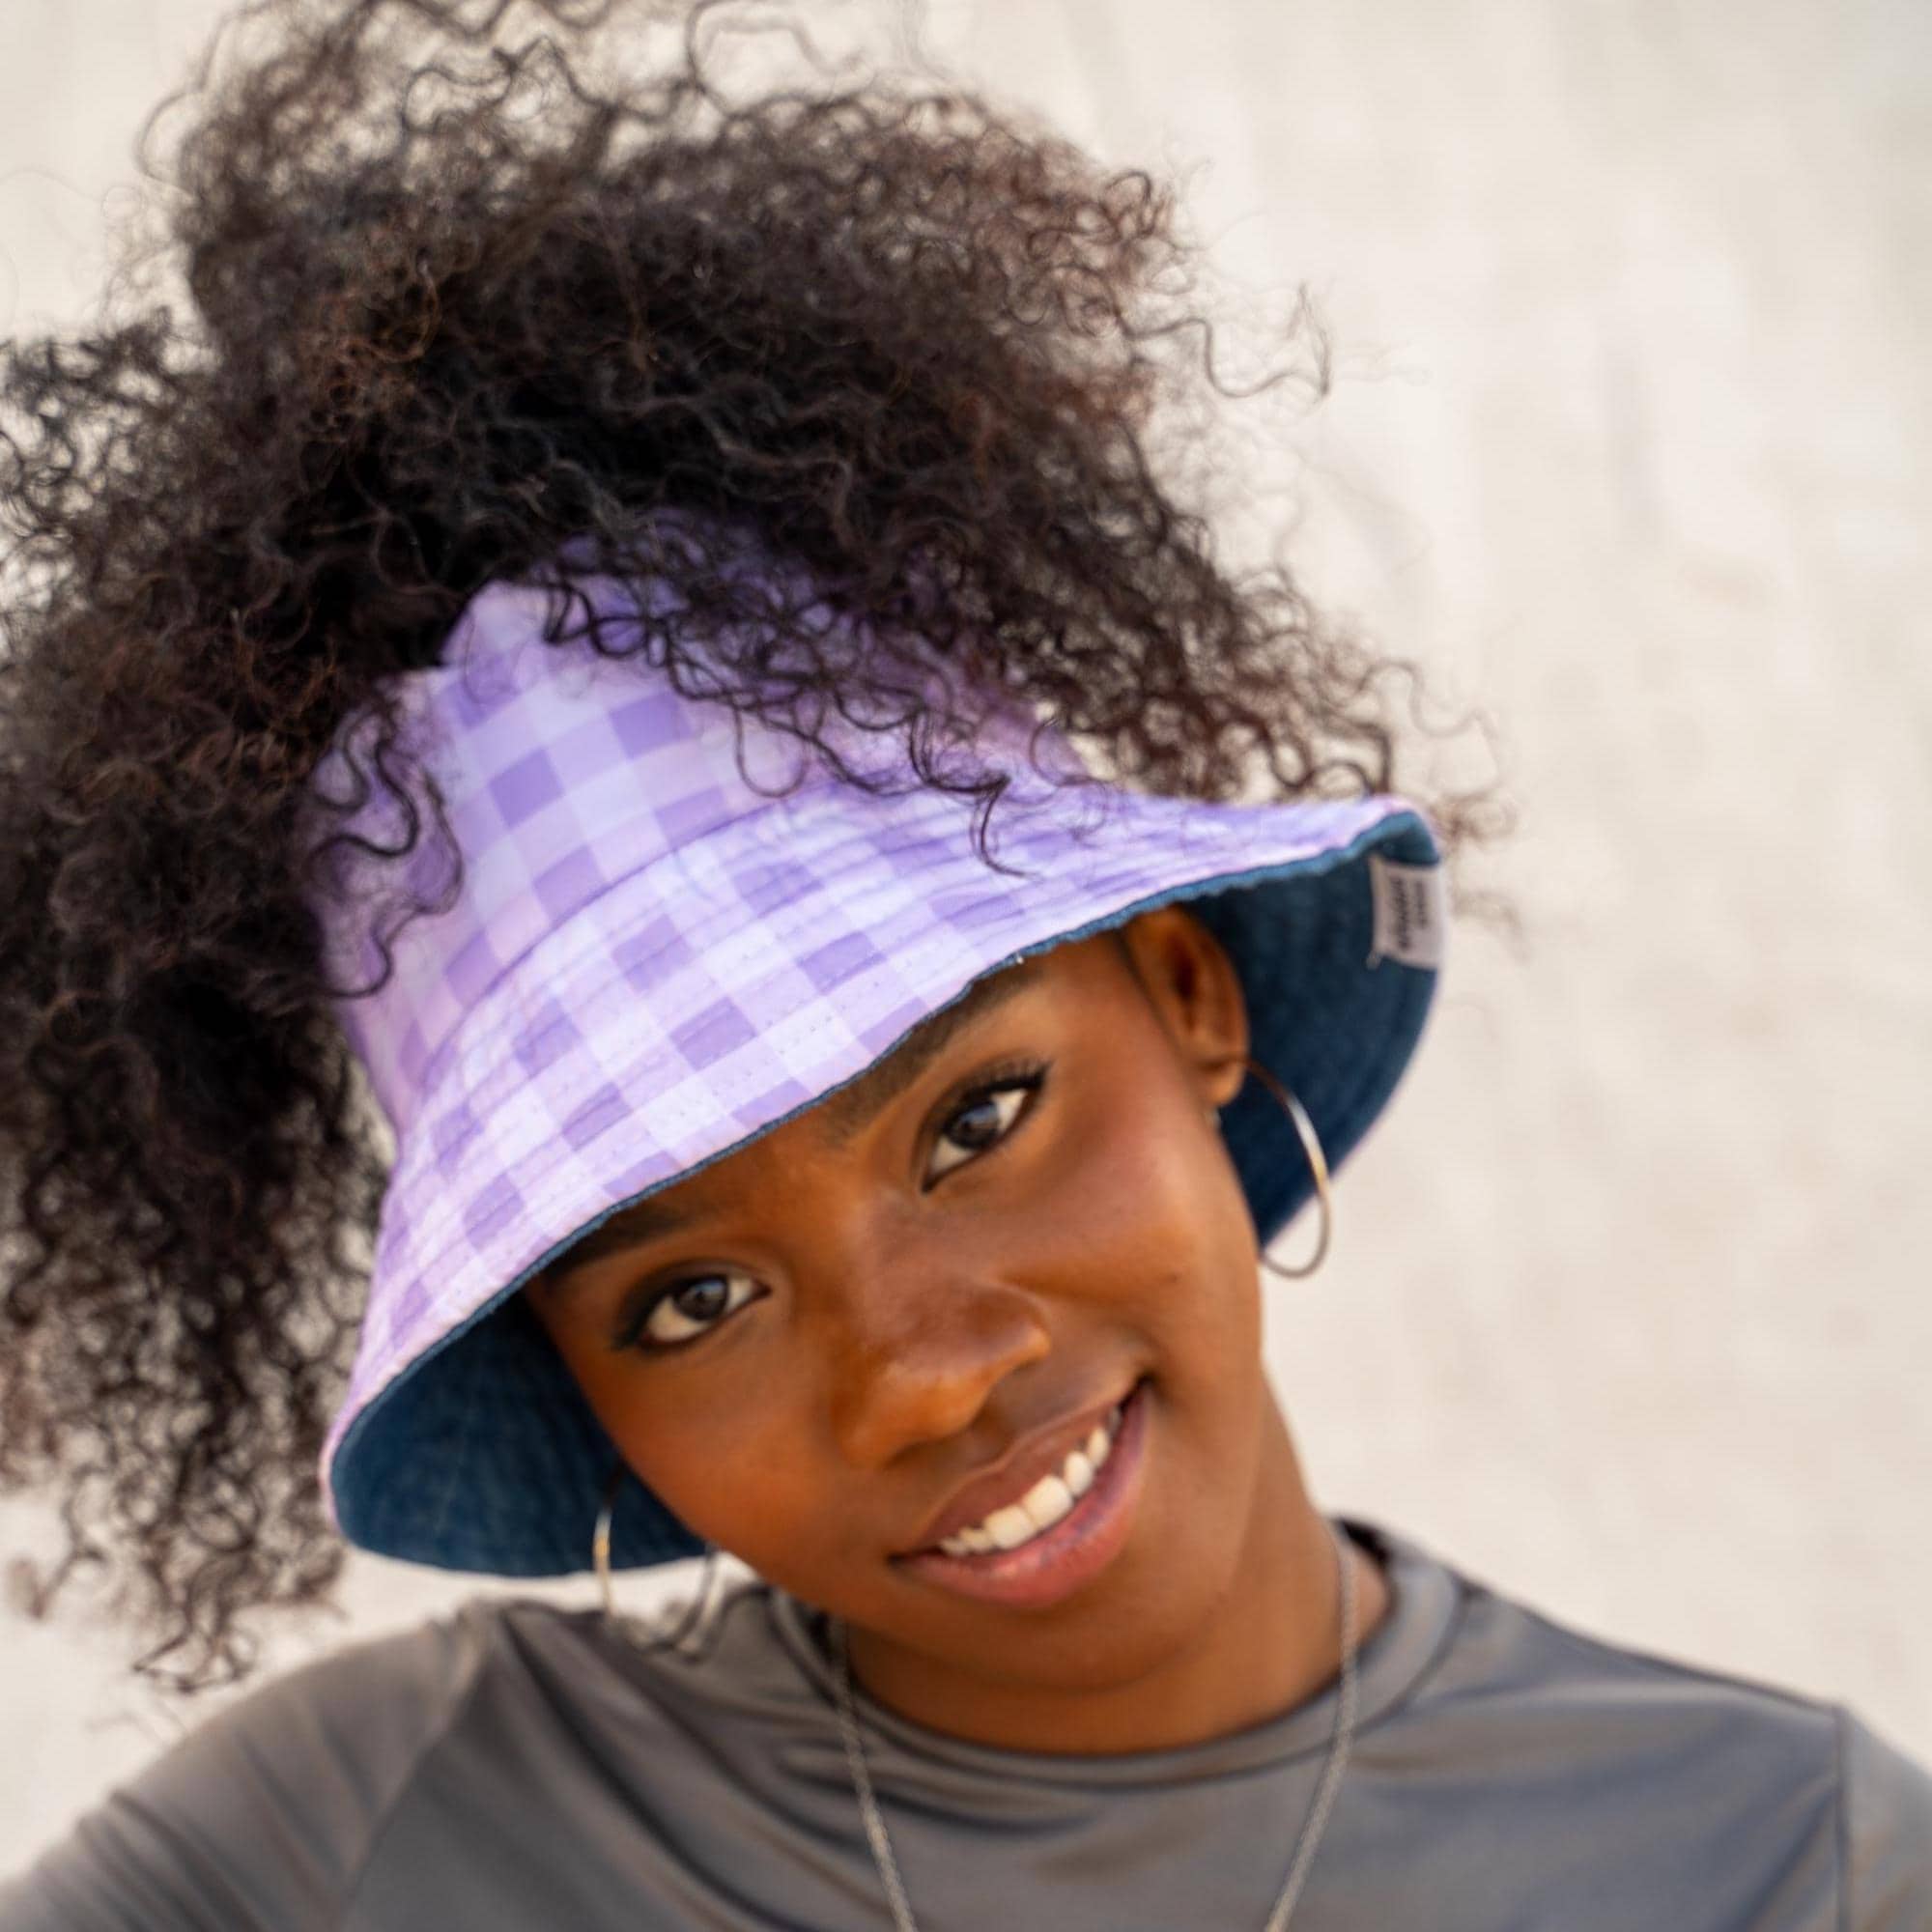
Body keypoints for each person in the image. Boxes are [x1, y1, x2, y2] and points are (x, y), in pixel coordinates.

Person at [0, 2, 1925, 1926]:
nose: (921, 1380)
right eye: (687, 1297)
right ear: (570, 1380)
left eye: (976, 1115)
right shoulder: (343, 1848)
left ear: (1187, 994)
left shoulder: (1781, 1859)